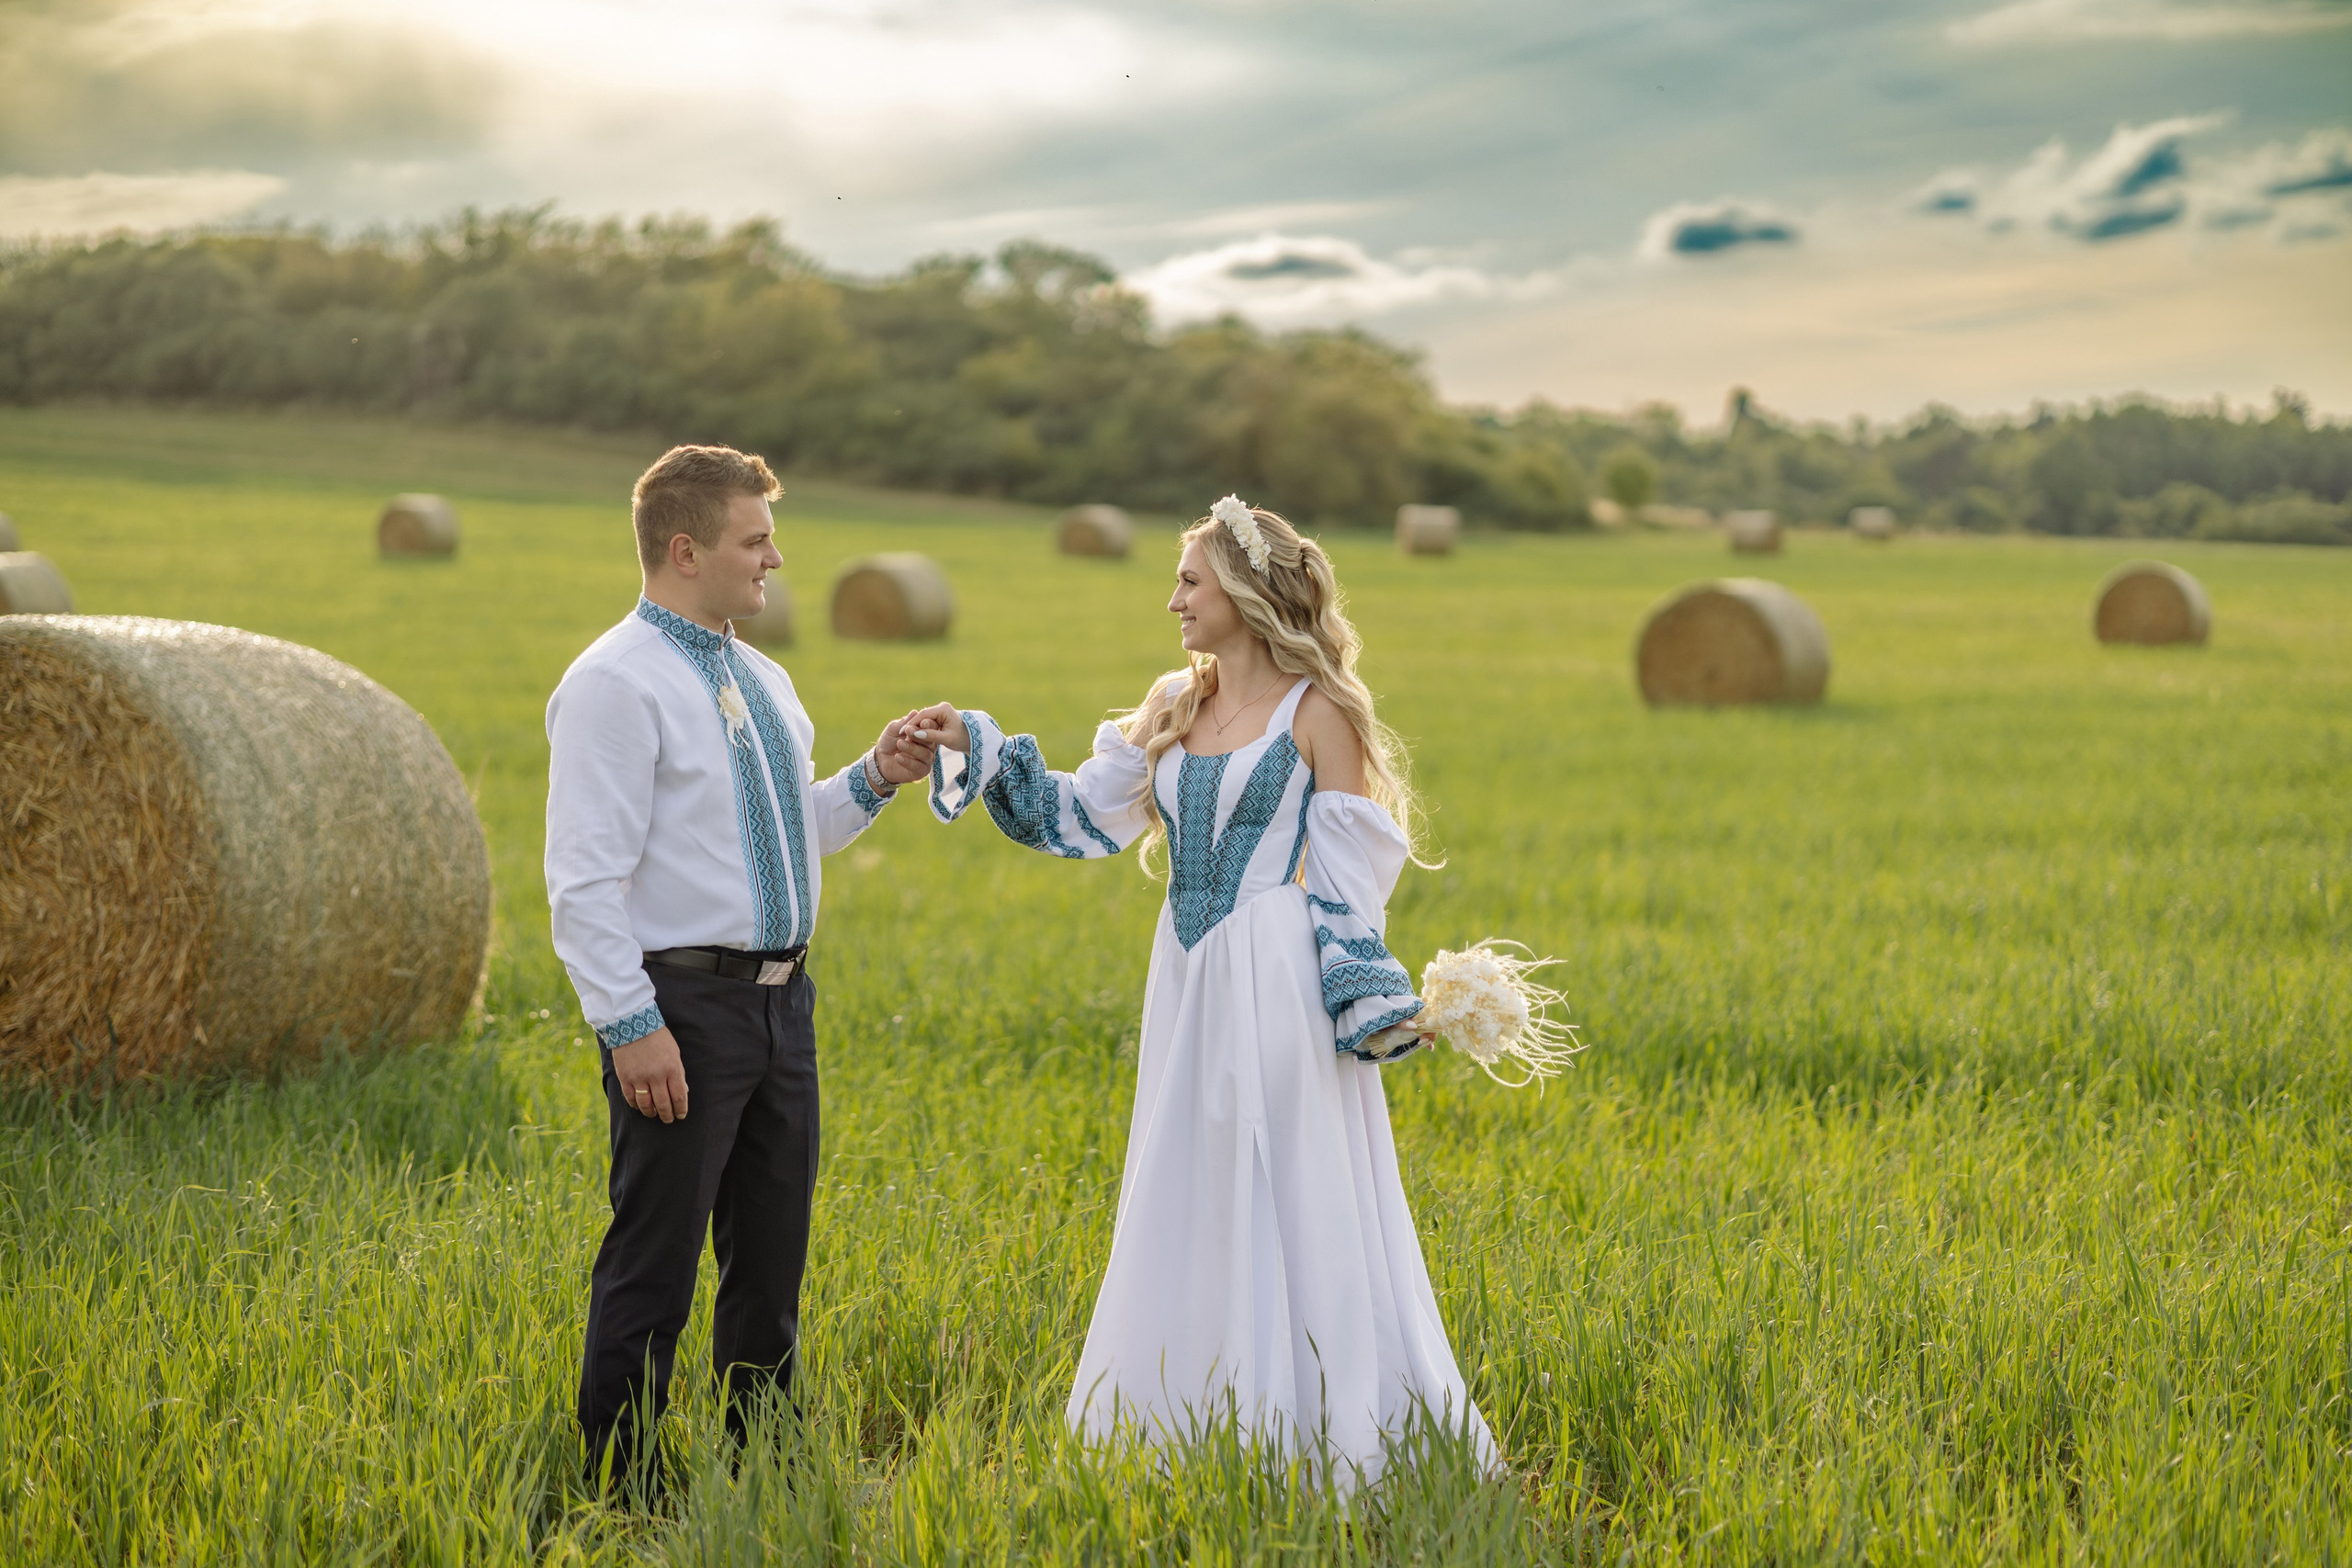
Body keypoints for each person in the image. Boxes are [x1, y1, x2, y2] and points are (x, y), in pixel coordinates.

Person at [904, 495, 1498, 1483]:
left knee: (1283, 1181)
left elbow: (1352, 887)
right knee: (1189, 1174)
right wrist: (973, 736)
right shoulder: (1172, 703)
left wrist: (1377, 1002)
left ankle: (1314, 1433)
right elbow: (1077, 818)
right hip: (1183, 975)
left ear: (1246, 593)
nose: (1171, 599)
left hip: (1275, 979)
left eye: (1189, 581)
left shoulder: (1320, 714)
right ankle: (1186, 1420)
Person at [544, 444, 935, 1497]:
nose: (775, 559)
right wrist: (632, 1026)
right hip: (680, 1009)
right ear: (684, 550)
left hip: (781, 1005)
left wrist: (875, 775)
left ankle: (763, 1466)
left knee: (770, 1264)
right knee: (657, 1262)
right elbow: (583, 882)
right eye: (753, 540)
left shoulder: (762, 674)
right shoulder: (612, 684)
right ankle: (620, 1488)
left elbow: (783, 834)